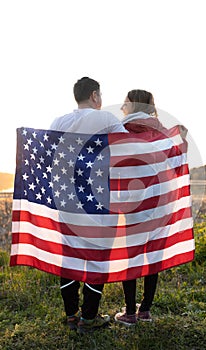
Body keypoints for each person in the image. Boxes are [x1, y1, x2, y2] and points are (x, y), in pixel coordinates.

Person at [50, 76, 127, 334]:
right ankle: (89, 318)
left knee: (69, 257)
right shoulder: (105, 118)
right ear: (94, 95)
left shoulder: (58, 122)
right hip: (97, 200)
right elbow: (130, 148)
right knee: (97, 258)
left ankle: (71, 315)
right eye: (101, 95)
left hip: (66, 200)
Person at [114, 89, 167, 326]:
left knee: (131, 255)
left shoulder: (121, 129)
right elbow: (174, 156)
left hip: (132, 202)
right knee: (153, 254)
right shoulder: (161, 130)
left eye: (125, 101)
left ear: (132, 104)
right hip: (158, 201)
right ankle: (145, 309)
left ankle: (129, 313)